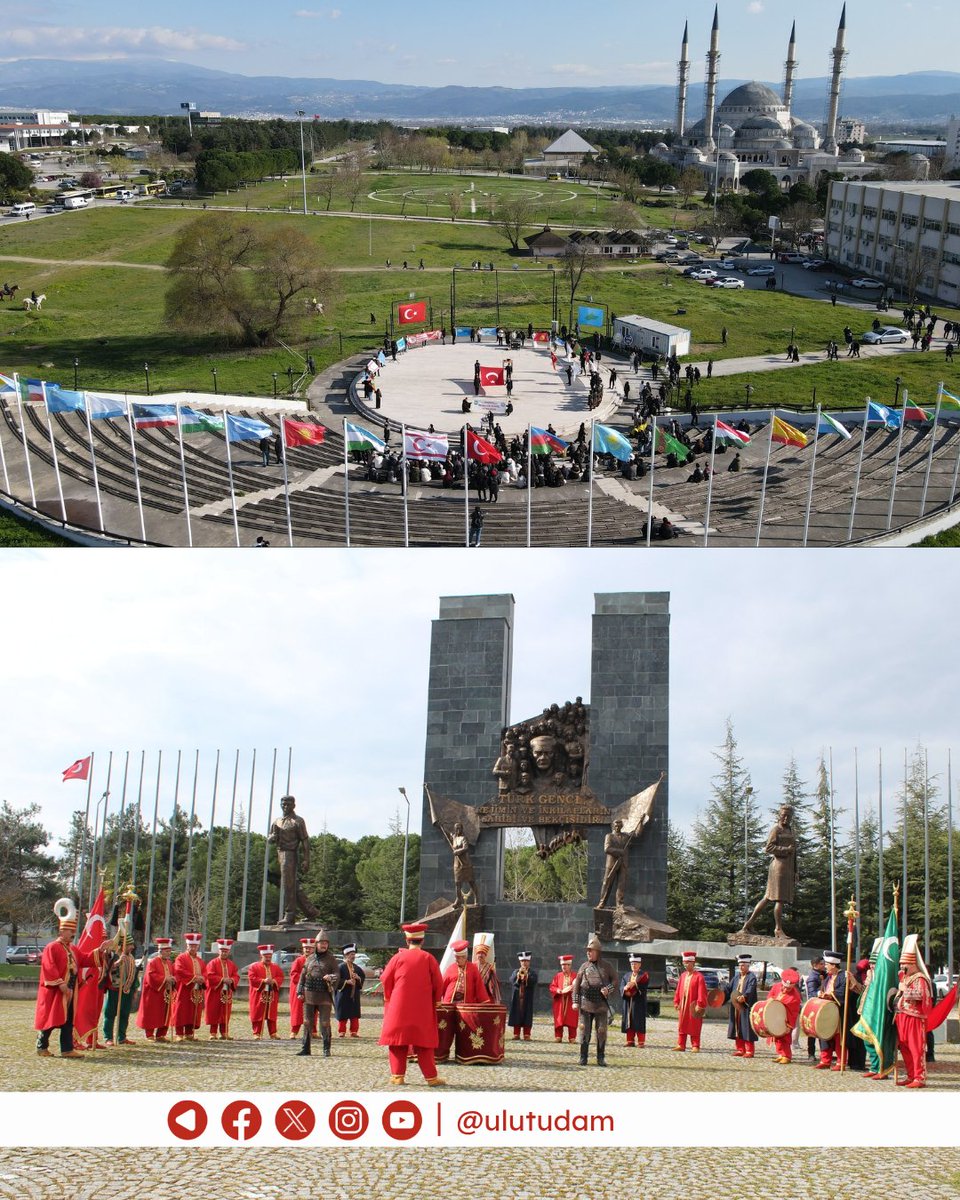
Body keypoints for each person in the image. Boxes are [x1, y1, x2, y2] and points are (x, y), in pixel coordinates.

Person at [378, 923, 446, 1086]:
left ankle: (397, 1076)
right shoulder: (428, 958)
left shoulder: (397, 958)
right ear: (422, 940)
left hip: (399, 1007)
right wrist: (437, 1000)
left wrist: (389, 997)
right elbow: (438, 982)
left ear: (407, 940)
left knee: (397, 1041)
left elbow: (385, 978)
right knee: (424, 1043)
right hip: (422, 1009)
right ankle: (431, 1077)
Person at [35, 900, 92, 1059]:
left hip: (71, 989)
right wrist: (60, 984)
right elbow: (49, 967)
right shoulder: (52, 947)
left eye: (73, 930)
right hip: (56, 990)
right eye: (69, 930)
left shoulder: (73, 949)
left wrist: (100, 951)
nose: (72, 934)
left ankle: (66, 1049)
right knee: (53, 1019)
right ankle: (41, 1045)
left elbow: (85, 959)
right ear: (61, 931)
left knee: (68, 1020)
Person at [741, 804, 797, 939]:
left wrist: (796, 871)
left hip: (788, 868)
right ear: (779, 815)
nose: (786, 818)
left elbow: (794, 853)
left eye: (788, 816)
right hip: (778, 867)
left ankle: (747, 925)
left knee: (767, 898)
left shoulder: (790, 831)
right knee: (779, 899)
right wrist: (785, 850)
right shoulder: (776, 830)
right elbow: (769, 848)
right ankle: (778, 929)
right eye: (784, 815)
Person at [572, 933, 617, 1067]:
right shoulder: (583, 966)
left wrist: (608, 989)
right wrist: (575, 1001)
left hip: (601, 1004)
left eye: (591, 951)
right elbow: (576, 985)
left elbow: (615, 980)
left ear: (598, 952)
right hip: (585, 1003)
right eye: (587, 951)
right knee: (584, 1029)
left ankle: (600, 1057)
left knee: (601, 1030)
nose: (588, 953)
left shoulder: (607, 966)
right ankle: (583, 1057)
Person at [894, 934, 932, 1088]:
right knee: (905, 1047)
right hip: (902, 1016)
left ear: (912, 964)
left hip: (914, 1017)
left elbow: (922, 996)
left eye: (904, 964)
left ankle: (919, 1077)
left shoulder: (920, 978)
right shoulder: (905, 978)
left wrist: (905, 990)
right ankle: (910, 1075)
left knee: (916, 1048)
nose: (902, 966)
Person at [268, 795, 311, 925]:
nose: (285, 806)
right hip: (280, 854)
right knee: (292, 885)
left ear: (294, 805)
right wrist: (271, 838)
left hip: (290, 854)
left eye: (288, 804)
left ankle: (290, 914)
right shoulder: (277, 821)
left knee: (288, 885)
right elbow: (270, 837)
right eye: (283, 804)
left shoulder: (298, 821)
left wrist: (306, 859)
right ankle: (311, 911)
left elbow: (305, 840)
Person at [296, 930, 339, 1057]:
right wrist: (299, 990)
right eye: (322, 943)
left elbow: (337, 974)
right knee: (307, 1022)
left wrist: (331, 977)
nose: (324, 945)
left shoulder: (331, 959)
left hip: (324, 995)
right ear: (316, 944)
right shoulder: (309, 959)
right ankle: (305, 1048)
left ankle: (326, 1049)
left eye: (326, 943)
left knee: (325, 1022)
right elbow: (302, 976)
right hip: (309, 994)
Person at [102, 930, 138, 1048]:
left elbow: (134, 974)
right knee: (110, 1014)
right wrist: (117, 963)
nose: (132, 947)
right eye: (129, 945)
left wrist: (135, 989)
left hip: (127, 990)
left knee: (124, 1014)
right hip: (115, 989)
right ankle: (108, 1037)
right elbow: (106, 970)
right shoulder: (113, 955)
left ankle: (122, 1037)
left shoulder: (131, 957)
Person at [598, 817, 644, 909]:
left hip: (623, 863)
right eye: (616, 825)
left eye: (619, 825)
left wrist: (641, 822)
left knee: (621, 885)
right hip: (612, 864)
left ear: (622, 826)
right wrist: (619, 851)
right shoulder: (609, 836)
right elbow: (607, 849)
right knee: (607, 884)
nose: (617, 827)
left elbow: (637, 834)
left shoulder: (626, 836)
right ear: (613, 826)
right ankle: (602, 902)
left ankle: (620, 904)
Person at [136, 938, 176, 1042]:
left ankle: (161, 1034)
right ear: (161, 951)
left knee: (165, 1013)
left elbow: (173, 974)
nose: (168, 953)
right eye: (166, 951)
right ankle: (149, 1034)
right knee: (153, 1014)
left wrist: (172, 979)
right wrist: (164, 979)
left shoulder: (169, 963)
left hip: (166, 992)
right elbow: (150, 976)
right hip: (154, 992)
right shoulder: (153, 962)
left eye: (169, 951)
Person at [172, 933, 206, 1041]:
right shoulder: (181, 958)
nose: (193, 948)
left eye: (195, 946)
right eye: (191, 946)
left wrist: (202, 978)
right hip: (184, 988)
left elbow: (205, 972)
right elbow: (179, 970)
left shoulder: (200, 961)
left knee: (193, 1010)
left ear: (198, 947)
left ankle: (189, 1033)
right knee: (181, 1010)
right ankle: (179, 1034)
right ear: (187, 946)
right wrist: (193, 978)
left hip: (196, 990)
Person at [204, 938, 239, 1040]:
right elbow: (209, 976)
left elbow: (236, 975)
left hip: (227, 991)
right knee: (214, 1011)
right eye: (222, 951)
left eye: (226, 951)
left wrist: (232, 980)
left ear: (228, 952)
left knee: (225, 1011)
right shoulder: (212, 963)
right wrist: (222, 980)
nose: (224, 953)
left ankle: (224, 1032)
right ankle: (213, 1032)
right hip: (215, 991)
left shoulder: (231, 964)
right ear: (218, 951)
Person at [766, 967, 802, 1064]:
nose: (786, 989)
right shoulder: (776, 986)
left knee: (785, 1038)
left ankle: (787, 1056)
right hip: (775, 1016)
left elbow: (792, 1010)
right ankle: (780, 1054)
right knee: (777, 1037)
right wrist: (770, 1000)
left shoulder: (795, 996)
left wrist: (788, 1024)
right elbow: (770, 995)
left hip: (786, 1019)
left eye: (789, 988)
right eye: (785, 986)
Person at [725, 953, 758, 1058]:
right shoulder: (736, 977)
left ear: (748, 965)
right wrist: (721, 994)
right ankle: (740, 1049)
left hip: (746, 1006)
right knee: (737, 1027)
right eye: (739, 965)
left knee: (747, 1028)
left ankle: (749, 1050)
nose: (741, 967)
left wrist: (745, 996)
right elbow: (729, 988)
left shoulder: (751, 977)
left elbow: (751, 989)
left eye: (743, 965)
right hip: (735, 1006)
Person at [248, 944, 284, 1039]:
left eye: (270, 957)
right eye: (266, 957)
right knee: (258, 1012)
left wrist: (274, 981)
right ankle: (257, 1033)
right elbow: (252, 978)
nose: (268, 959)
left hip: (272, 994)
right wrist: (263, 981)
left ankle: (273, 1033)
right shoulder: (254, 967)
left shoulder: (275, 967)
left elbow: (280, 977)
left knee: (271, 1013)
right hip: (259, 994)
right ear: (261, 956)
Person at [673, 950, 707, 1052]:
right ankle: (681, 1044)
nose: (685, 965)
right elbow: (678, 990)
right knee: (682, 1023)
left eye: (687, 963)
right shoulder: (683, 976)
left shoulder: (699, 977)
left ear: (693, 963)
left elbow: (702, 992)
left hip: (693, 1006)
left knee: (694, 1025)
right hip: (683, 1005)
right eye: (684, 963)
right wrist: (676, 1001)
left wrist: (700, 1004)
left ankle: (695, 1045)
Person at [441, 940, 488, 1004]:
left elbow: (479, 986)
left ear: (464, 957)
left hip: (466, 1004)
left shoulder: (473, 968)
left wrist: (484, 1002)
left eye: (458, 958)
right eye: (455, 957)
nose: (456, 960)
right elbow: (442, 985)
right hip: (450, 1003)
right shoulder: (451, 968)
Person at [335, 944, 366, 1038]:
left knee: (354, 1013)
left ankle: (354, 1031)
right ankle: (342, 1031)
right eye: (351, 954)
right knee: (343, 1013)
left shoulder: (357, 968)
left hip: (354, 994)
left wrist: (358, 978)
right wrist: (346, 982)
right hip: (343, 993)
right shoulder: (340, 967)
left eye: (354, 954)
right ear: (346, 955)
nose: (353, 956)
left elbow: (362, 977)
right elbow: (336, 979)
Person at [620, 953, 649, 1047]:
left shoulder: (643, 975)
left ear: (640, 964)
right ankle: (630, 1041)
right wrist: (624, 990)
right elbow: (621, 986)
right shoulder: (626, 975)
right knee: (629, 1020)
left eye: (636, 963)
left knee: (638, 1021)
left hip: (638, 1002)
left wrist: (634, 985)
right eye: (632, 964)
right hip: (628, 1002)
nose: (634, 965)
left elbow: (643, 987)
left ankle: (641, 1042)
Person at [288, 937, 315, 1040]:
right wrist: (304, 980)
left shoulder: (316, 960)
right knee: (297, 1011)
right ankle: (294, 1031)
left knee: (313, 1011)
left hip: (312, 989)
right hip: (300, 988)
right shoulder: (298, 961)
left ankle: (312, 1030)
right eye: (306, 948)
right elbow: (294, 974)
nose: (308, 950)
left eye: (310, 948)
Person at [508, 953, 538, 1040]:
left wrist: (526, 977)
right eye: (522, 961)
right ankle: (516, 1033)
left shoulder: (532, 972)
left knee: (527, 1014)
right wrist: (518, 977)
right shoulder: (515, 971)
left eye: (526, 961)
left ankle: (527, 1034)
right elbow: (512, 980)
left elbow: (533, 981)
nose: (524, 963)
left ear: (529, 961)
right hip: (517, 998)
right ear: (520, 962)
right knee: (516, 1014)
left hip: (527, 998)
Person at [549, 954, 578, 1043]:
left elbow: (579, 987)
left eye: (565, 965)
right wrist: (558, 990)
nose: (563, 967)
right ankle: (558, 1036)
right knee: (559, 1018)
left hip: (570, 1001)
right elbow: (552, 987)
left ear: (569, 965)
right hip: (560, 1001)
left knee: (572, 1019)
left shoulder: (575, 976)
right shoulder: (558, 976)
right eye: (562, 965)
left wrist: (573, 988)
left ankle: (572, 1037)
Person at [805, 955, 826, 1061]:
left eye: (824, 964)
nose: (824, 966)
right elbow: (812, 992)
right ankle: (811, 1053)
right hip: (814, 1006)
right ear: (815, 965)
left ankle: (824, 1052)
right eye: (821, 964)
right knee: (812, 1032)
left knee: (823, 1030)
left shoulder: (824, 974)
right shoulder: (813, 977)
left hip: (822, 1005)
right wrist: (820, 992)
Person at [473, 935, 501, 1004]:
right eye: (479, 953)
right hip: (474, 996)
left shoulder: (490, 968)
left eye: (482, 953)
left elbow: (495, 986)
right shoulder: (472, 966)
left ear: (485, 955)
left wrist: (497, 1001)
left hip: (486, 996)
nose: (480, 955)